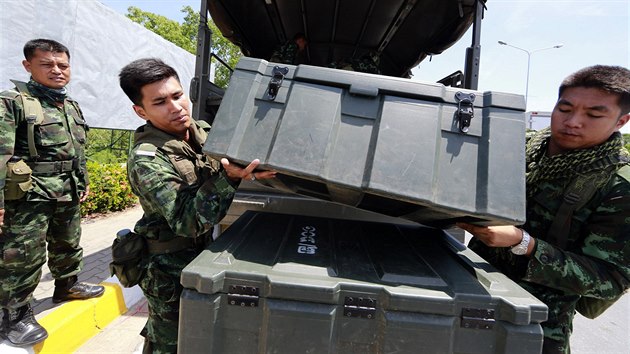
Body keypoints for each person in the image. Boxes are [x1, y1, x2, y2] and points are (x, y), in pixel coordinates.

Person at [458, 65, 630, 354]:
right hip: (465, 286)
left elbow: (609, 281)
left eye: (594, 115)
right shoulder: (514, 148)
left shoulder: (617, 186)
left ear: (621, 121)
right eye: (565, 109)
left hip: (534, 324)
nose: (573, 121)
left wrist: (524, 244)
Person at [118, 58, 275, 353]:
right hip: (168, 269)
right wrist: (230, 178)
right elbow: (187, 222)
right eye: (160, 102)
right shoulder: (147, 158)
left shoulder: (199, 131)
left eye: (177, 96)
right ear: (141, 111)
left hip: (201, 255)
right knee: (173, 342)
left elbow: (230, 159)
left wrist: (248, 169)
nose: (176, 107)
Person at [0, 38, 104, 347]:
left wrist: (82, 180)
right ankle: (14, 316)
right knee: (22, 255)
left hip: (66, 190)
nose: (57, 70)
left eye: (62, 65)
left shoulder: (69, 104)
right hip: (29, 195)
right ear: (28, 66)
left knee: (67, 243)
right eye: (47, 64)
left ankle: (67, 285)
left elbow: (78, 149)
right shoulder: (14, 101)